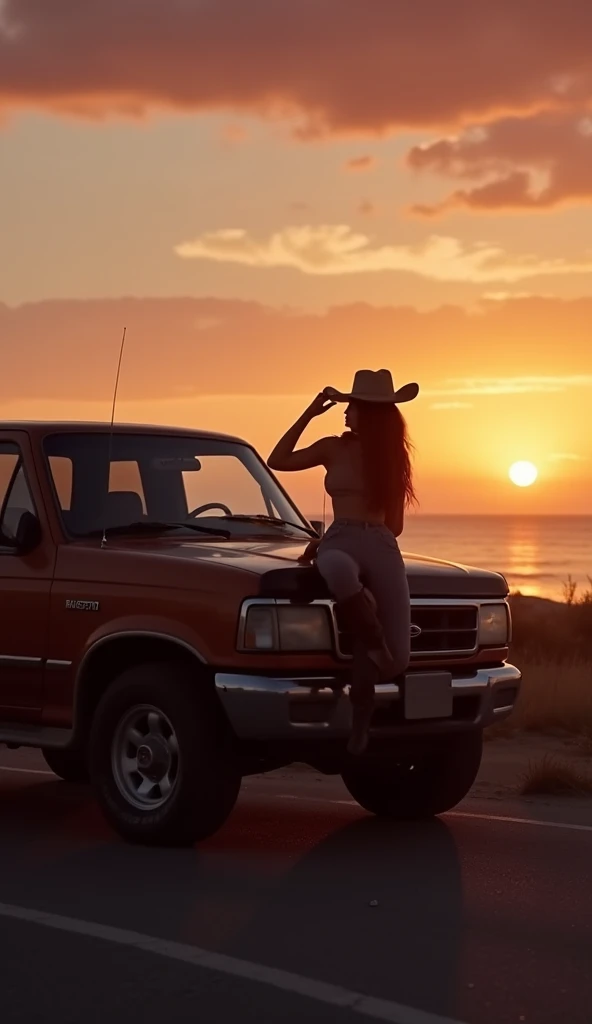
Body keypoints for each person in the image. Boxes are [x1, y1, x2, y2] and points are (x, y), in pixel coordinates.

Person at [267, 368, 419, 755]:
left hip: (381, 543)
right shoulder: (333, 447)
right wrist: (309, 412)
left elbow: (396, 526)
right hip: (340, 539)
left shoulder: (393, 459)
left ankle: (362, 717)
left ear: (369, 412)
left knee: (397, 658)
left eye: (351, 405)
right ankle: (360, 716)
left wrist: (373, 543)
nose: (345, 411)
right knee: (335, 568)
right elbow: (278, 459)